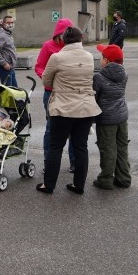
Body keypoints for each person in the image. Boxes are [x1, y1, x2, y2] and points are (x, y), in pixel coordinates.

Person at [36, 26, 101, 195]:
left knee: (56, 146)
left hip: (63, 107)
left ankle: (48, 185)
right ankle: (78, 185)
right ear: (81, 39)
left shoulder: (57, 57)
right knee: (81, 147)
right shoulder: (88, 56)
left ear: (64, 39)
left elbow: (46, 81)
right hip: (85, 107)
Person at [34, 18, 77, 172]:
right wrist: (47, 78)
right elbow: (39, 67)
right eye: (64, 35)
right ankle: (49, 162)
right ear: (58, 34)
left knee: (73, 129)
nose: (66, 38)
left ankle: (74, 161)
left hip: (69, 92)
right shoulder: (48, 46)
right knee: (51, 128)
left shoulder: (73, 47)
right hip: (51, 92)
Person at [92, 44, 131, 189]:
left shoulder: (99, 77)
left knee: (107, 148)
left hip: (106, 119)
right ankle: (124, 178)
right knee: (122, 147)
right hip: (122, 116)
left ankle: (105, 179)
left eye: (102, 57)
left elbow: (94, 99)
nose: (100, 60)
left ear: (106, 61)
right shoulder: (124, 74)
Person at [0, 15, 17, 87]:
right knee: (8, 91)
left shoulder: (7, 33)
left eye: (12, 22)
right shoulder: (3, 36)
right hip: (4, 67)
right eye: (8, 23)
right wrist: (4, 63)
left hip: (10, 67)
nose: (11, 24)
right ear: (4, 23)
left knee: (14, 90)